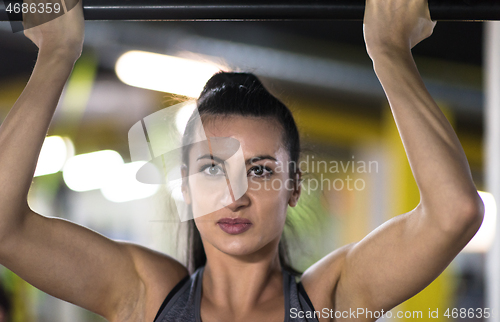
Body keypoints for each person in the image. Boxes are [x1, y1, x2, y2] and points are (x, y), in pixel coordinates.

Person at [0, 0, 484, 321]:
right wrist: (59, 52)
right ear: (185, 187)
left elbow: (453, 212)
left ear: (294, 187)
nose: (234, 195)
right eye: (212, 168)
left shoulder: (329, 300)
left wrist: (388, 51)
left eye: (260, 170)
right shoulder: (146, 294)